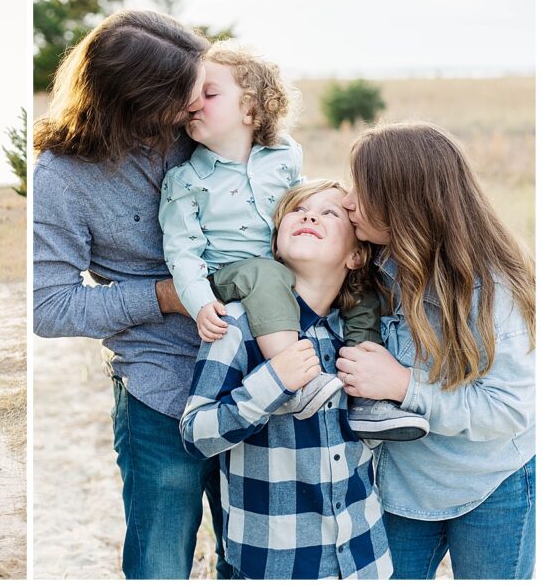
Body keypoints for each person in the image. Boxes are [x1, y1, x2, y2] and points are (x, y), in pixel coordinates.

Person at [33, 9, 228, 579]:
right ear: (131, 102)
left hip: (253, 372)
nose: (193, 108)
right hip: (157, 381)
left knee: (251, 551)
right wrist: (166, 296)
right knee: (160, 559)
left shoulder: (207, 134)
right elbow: (50, 307)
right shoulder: (62, 178)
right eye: (179, 99)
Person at [160, 41, 427, 439]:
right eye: (189, 96)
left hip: (280, 274)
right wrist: (199, 303)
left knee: (362, 296)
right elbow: (182, 252)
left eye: (209, 94)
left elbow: (301, 203)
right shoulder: (185, 180)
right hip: (227, 276)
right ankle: (299, 382)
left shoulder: (283, 155)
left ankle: (369, 399)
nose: (192, 103)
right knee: (267, 275)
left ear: (251, 108)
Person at [336, 121, 535, 580]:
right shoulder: (373, 260)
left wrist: (404, 385)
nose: (348, 201)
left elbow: (508, 410)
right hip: (400, 484)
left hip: (491, 482)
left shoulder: (493, 287)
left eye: (363, 189)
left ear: (407, 202)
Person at [180, 180, 393, 579]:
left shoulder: (358, 336)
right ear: (276, 244)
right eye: (297, 210)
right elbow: (196, 433)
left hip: (364, 559)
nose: (309, 215)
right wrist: (273, 381)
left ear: (355, 255)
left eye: (329, 213)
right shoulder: (238, 325)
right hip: (277, 562)